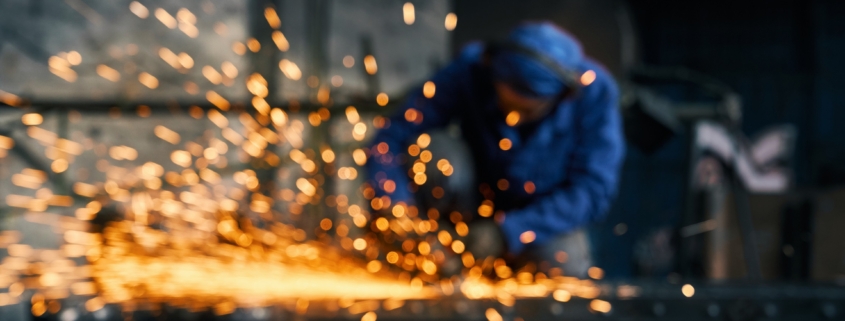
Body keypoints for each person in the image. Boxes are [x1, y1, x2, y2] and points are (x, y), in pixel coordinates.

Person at [366, 22, 625, 278]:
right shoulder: (472, 68)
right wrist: (397, 211)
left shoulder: (593, 93)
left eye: (527, 112)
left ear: (562, 96)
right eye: (507, 106)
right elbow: (390, 138)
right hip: (468, 204)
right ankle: (434, 260)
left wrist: (508, 231)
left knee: (564, 270)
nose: (514, 120)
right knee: (432, 151)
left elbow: (592, 191)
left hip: (540, 217)